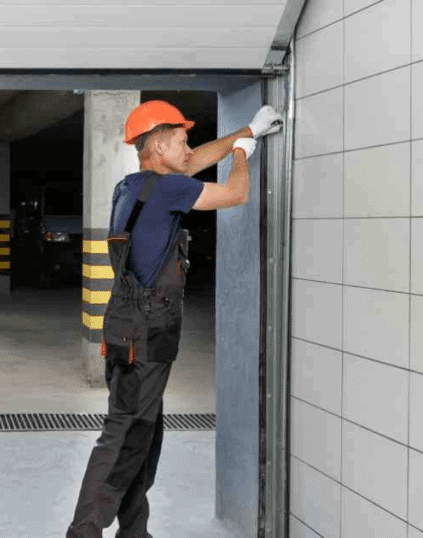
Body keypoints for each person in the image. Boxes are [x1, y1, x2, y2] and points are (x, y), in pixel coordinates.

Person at [65, 100, 283, 538]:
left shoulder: (134, 186)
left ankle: (134, 532)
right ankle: (83, 532)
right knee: (125, 437)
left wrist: (248, 131)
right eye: (182, 140)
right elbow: (235, 194)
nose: (189, 149)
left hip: (132, 330)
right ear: (160, 145)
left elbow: (194, 161)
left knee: (142, 438)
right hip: (144, 334)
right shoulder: (168, 190)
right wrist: (241, 152)